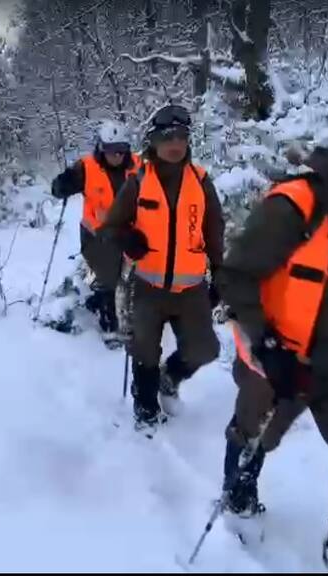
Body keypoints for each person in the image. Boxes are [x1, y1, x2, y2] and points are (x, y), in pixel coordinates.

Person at [216, 109, 328, 573]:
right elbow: (234, 276)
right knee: (253, 433)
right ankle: (239, 492)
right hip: (280, 354)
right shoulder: (297, 205)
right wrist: (268, 348)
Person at [98, 104, 224, 429]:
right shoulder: (139, 181)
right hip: (147, 288)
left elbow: (215, 231)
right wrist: (127, 238)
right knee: (144, 353)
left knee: (205, 349)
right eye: (167, 137)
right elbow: (110, 228)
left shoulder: (201, 181)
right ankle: (146, 413)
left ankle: (171, 377)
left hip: (191, 289)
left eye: (182, 136)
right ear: (153, 141)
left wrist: (221, 274)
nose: (175, 143)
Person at [51, 120, 141, 337]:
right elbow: (58, 188)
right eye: (111, 150)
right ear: (101, 147)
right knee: (108, 278)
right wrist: (62, 184)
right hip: (98, 236)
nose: (116, 156)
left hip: (133, 232)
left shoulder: (140, 166)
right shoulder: (87, 167)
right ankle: (109, 326)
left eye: (121, 150)